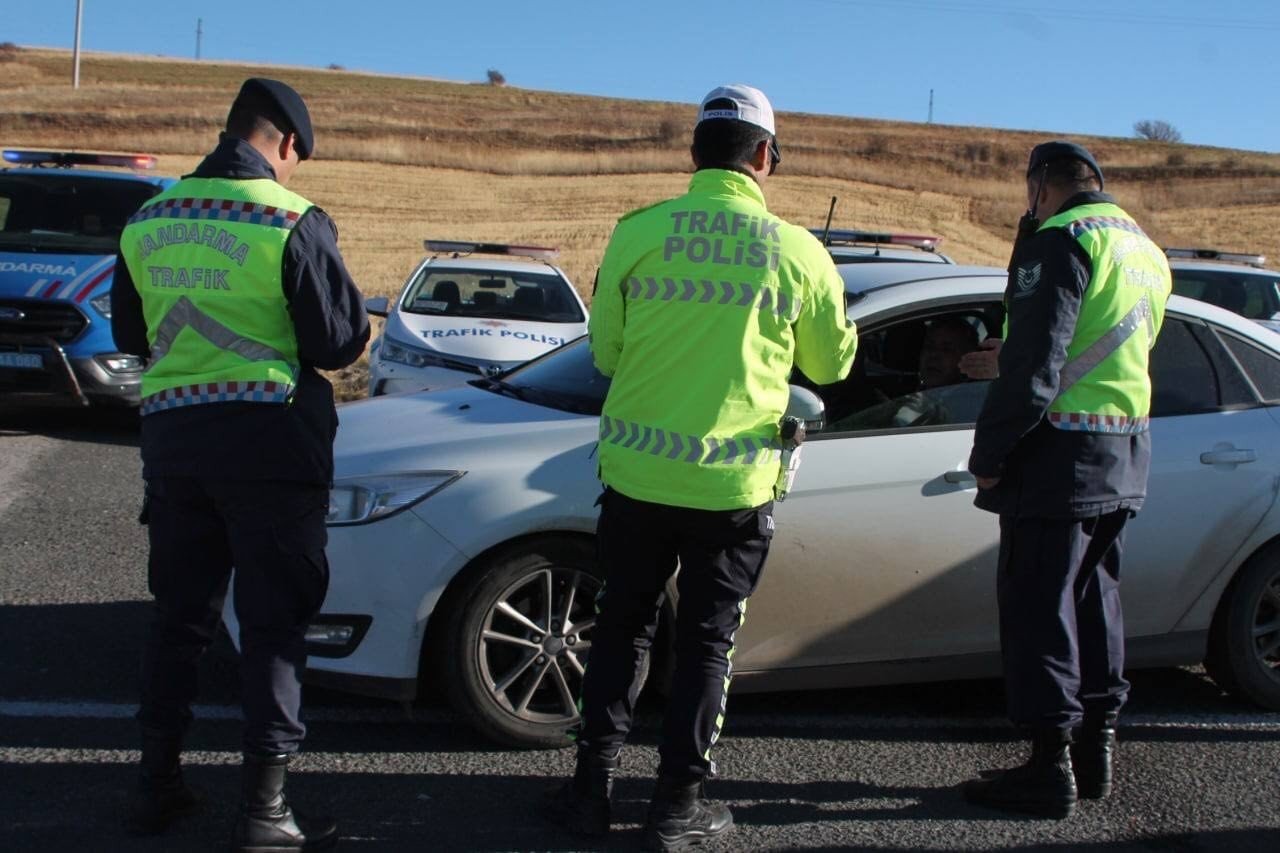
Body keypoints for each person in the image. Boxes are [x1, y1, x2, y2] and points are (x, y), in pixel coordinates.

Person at [544, 84, 857, 850]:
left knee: (621, 627)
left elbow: (608, 353)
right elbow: (832, 364)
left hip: (636, 480)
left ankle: (590, 791)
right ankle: (675, 806)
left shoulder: (636, 233)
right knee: (709, 643)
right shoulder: (797, 250)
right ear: (763, 156)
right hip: (733, 488)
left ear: (696, 153)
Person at [111, 78, 370, 851]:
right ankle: (264, 808)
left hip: (175, 449)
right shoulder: (288, 219)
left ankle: (156, 785)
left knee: (178, 621)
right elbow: (336, 341)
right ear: (287, 143)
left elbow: (132, 334)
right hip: (269, 450)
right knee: (273, 626)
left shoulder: (148, 217)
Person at [960, 141, 1171, 818]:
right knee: (1094, 599)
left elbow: (1038, 368)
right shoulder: (1143, 248)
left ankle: (1048, 765)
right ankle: (1094, 752)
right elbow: (1104, 347)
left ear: (1040, 187)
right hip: (1125, 448)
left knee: (1039, 603)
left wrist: (990, 451)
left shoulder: (1059, 239)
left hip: (1057, 455)